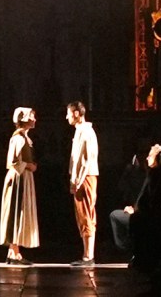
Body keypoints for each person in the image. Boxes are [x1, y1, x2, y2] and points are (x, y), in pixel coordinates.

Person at [0, 106, 40, 262]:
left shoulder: (24, 137)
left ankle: (13, 251)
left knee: (19, 212)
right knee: (17, 211)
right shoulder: (18, 138)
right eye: (32, 117)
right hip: (19, 178)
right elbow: (14, 162)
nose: (34, 119)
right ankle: (14, 250)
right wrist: (30, 166)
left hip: (24, 177)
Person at [66, 101, 100, 266]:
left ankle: (89, 256)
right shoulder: (80, 131)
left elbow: (87, 159)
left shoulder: (87, 132)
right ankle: (86, 254)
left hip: (85, 178)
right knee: (82, 215)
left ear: (77, 114)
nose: (67, 117)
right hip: (81, 177)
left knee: (86, 214)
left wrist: (78, 180)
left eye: (69, 113)